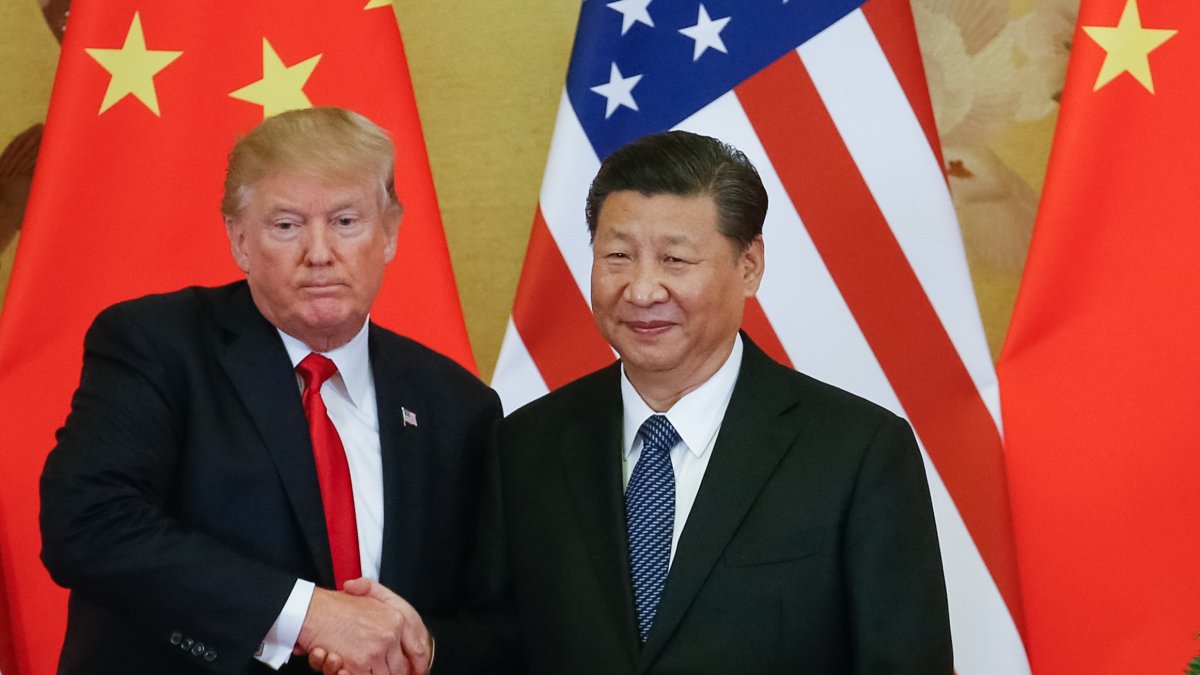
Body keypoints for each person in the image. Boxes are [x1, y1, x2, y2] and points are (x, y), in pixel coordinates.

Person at [39, 107, 500, 675]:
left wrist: (421, 650)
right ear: (239, 240)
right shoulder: (157, 346)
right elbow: (88, 525)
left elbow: (498, 626)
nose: (319, 252)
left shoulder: (458, 406)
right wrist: (306, 615)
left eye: (346, 221)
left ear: (390, 233)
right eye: (286, 225)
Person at [480, 130, 953, 674]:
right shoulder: (526, 444)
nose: (642, 290)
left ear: (749, 265)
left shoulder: (857, 452)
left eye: (675, 259)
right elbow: (494, 644)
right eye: (618, 256)